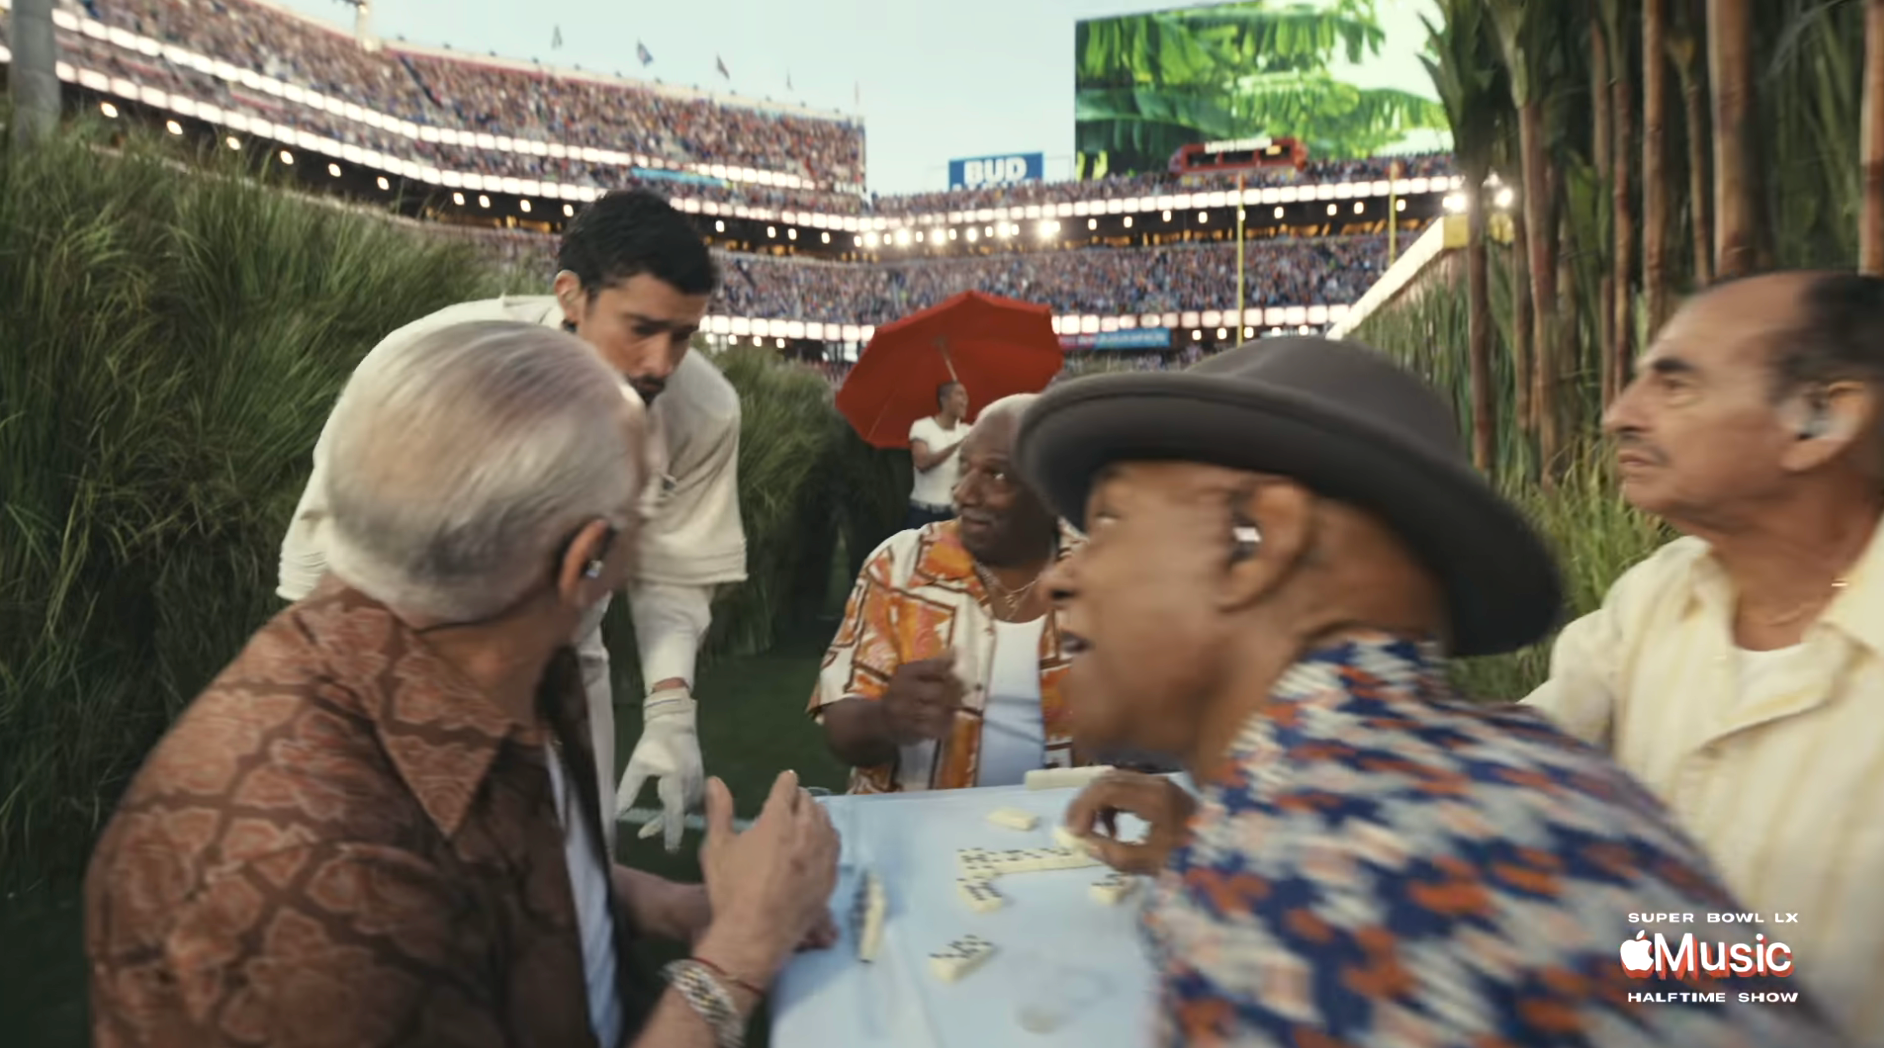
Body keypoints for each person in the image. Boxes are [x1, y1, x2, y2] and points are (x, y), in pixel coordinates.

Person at [1016, 338, 1843, 1046]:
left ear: (1254, 543)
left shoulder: (1296, 899)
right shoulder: (1536, 750)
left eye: (1113, 522)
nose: (1060, 577)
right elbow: (1702, 969)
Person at [86, 322, 837, 1048]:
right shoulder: (301, 888)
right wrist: (738, 955)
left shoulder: (505, 650)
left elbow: (526, 865)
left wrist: (681, 906)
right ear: (586, 562)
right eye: (649, 502)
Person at [277, 189, 744, 852]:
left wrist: (670, 710)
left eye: (684, 336)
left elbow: (673, 573)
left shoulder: (706, 410)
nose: (661, 366)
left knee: (581, 883)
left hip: (567, 661)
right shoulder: (433, 362)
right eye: (640, 329)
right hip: (403, 655)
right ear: (570, 295)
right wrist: (325, 696)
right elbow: (325, 539)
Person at [1523, 271, 1884, 1046]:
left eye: (1676, 384)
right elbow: (1508, 778)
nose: (1620, 413)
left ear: (1821, 420)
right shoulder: (1655, 598)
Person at [812, 394, 1091, 792]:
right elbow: (841, 726)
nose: (963, 493)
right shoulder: (901, 565)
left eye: (996, 475)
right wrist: (888, 718)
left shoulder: (1101, 579)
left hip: (1063, 843)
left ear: (1052, 493)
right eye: (965, 467)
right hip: (913, 834)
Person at [905, 380, 970, 529]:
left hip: (954, 513)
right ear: (944, 400)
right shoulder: (923, 426)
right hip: (925, 512)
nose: (965, 400)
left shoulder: (968, 430)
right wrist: (958, 444)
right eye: (960, 394)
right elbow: (922, 463)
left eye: (966, 396)